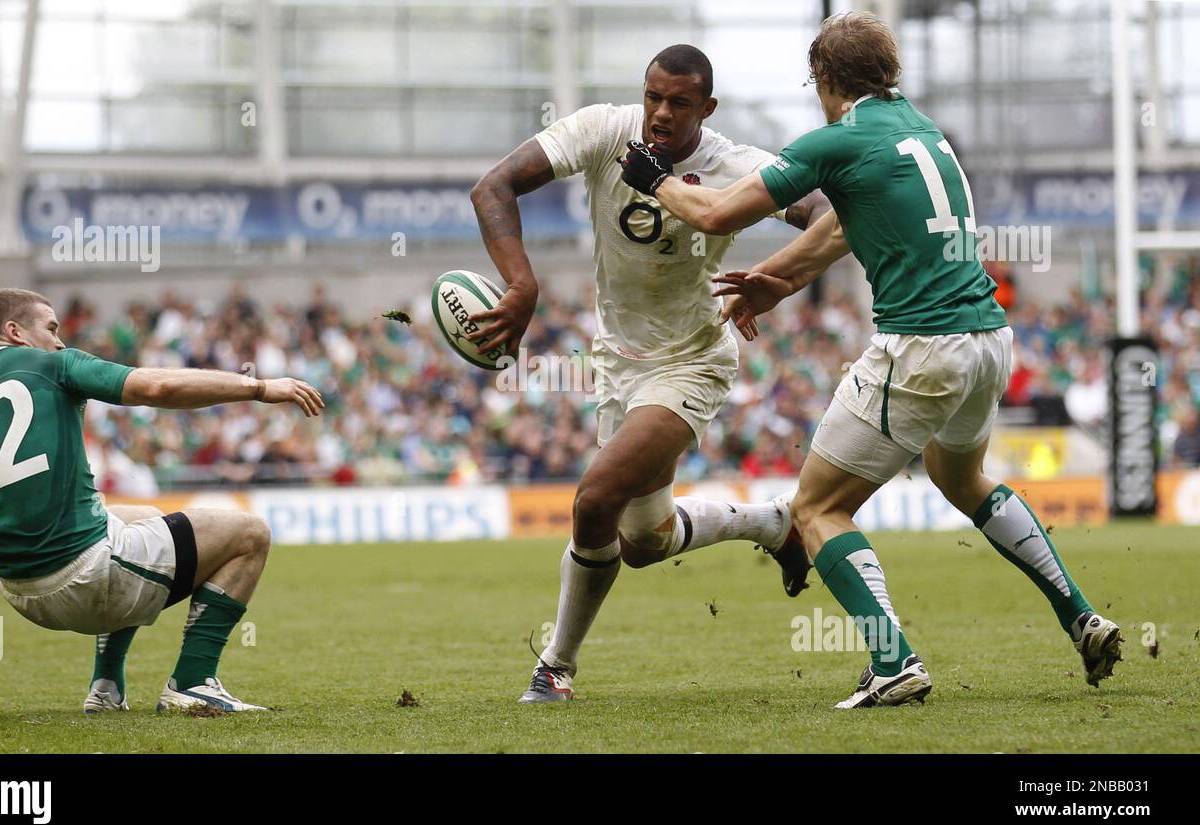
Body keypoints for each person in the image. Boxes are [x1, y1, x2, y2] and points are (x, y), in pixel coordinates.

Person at [621, 13, 1122, 708]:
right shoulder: (921, 129)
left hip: (921, 346)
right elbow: (842, 224)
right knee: (964, 479)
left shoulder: (839, 138)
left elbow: (716, 214)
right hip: (986, 341)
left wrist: (655, 181)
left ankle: (894, 663)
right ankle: (1082, 616)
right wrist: (781, 277)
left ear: (824, 79)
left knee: (817, 507)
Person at [470, 44, 828, 703]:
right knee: (642, 540)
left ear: (707, 108)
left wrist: (778, 279)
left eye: (679, 103)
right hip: (616, 366)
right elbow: (492, 186)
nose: (660, 113)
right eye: (653, 97)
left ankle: (555, 668)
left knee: (594, 499)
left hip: (690, 360)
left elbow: (830, 213)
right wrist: (521, 285)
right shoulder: (604, 129)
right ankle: (775, 524)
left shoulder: (734, 166)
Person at [0, 288, 324, 716]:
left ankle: (105, 686)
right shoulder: (52, 365)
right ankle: (193, 682)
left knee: (142, 518)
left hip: (24, 596)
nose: (60, 340)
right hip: (87, 578)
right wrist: (260, 386)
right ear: (15, 332)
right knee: (250, 533)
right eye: (50, 328)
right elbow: (157, 386)